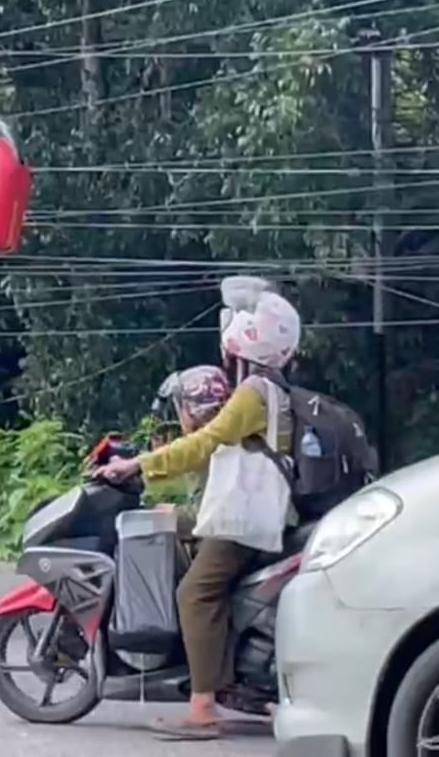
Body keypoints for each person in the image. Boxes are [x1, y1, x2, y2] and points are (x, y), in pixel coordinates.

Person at [96, 282, 301, 740]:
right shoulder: (278, 390)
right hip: (255, 517)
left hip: (244, 523)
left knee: (194, 594)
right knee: (188, 547)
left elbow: (205, 442)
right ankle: (229, 681)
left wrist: (138, 465)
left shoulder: (253, 392)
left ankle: (203, 706)